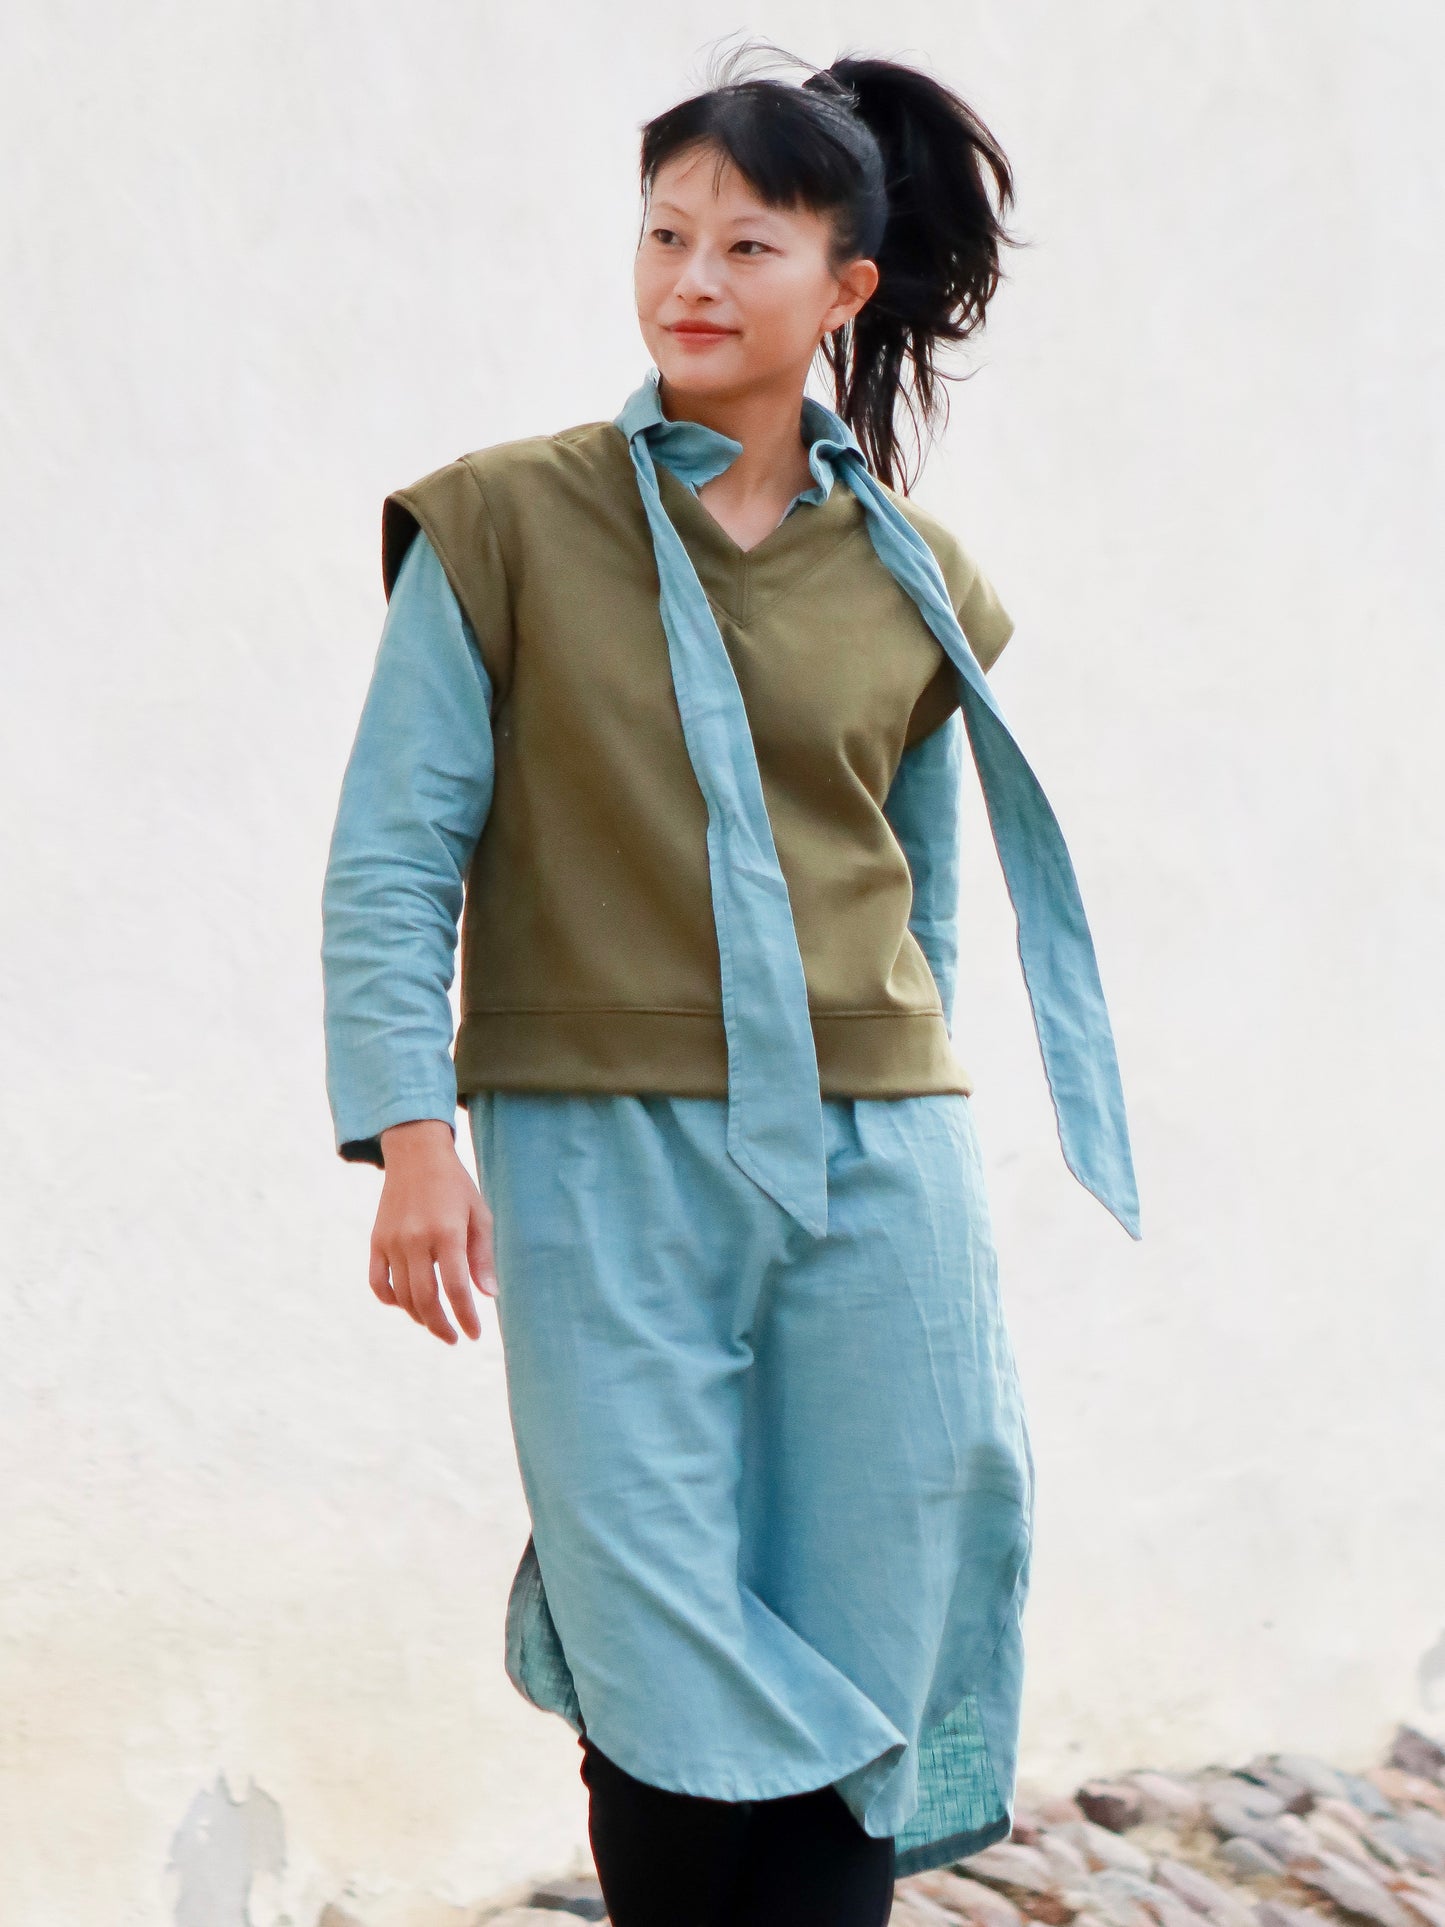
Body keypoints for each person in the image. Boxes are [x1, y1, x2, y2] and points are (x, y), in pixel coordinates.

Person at [321, 41, 1140, 1927]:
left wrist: (915, 1107)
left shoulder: (914, 576)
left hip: (878, 1159)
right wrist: (409, 1128)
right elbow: (394, 851)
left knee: (877, 1591)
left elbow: (921, 898)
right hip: (594, 1143)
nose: (689, 278)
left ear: (844, 286)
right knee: (654, 1603)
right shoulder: (500, 526)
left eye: (745, 246)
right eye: (663, 234)